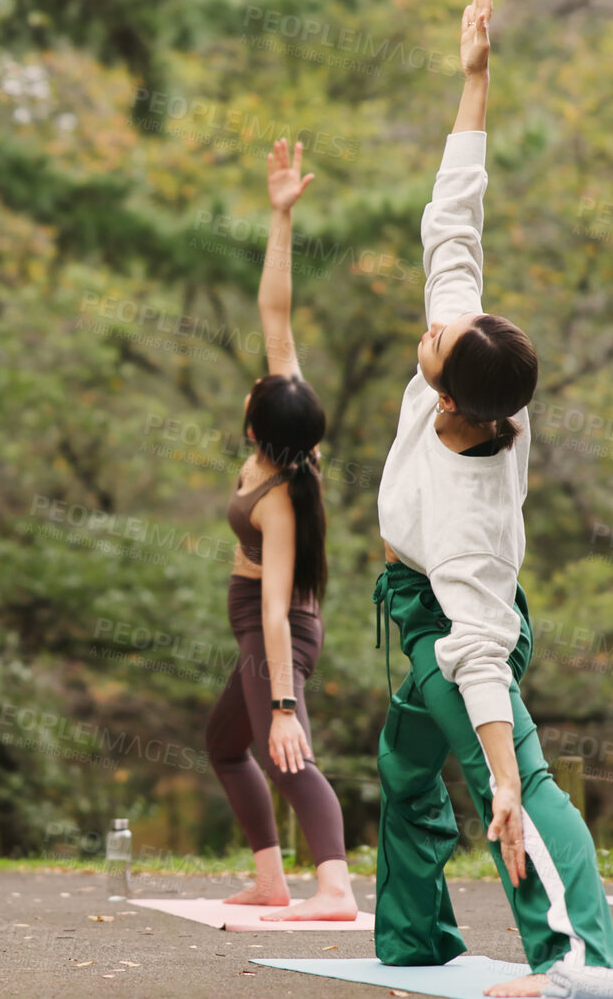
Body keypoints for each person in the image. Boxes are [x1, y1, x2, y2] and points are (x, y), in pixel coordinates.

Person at [371, 0, 613, 999]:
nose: (429, 324)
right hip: (419, 608)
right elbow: (455, 226)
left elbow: (476, 648)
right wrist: (475, 78)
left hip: (455, 621)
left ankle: (575, 964)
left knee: (513, 782)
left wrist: (508, 774)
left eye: (437, 335)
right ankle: (415, 938)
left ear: (456, 390)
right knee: (400, 762)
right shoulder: (466, 381)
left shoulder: (473, 510)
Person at [203, 138, 357, 921]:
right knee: (223, 743)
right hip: (255, 621)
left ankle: (333, 887)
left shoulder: (278, 496)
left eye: (259, 386)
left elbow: (273, 608)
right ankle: (271, 877)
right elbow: (275, 309)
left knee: (282, 751)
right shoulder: (291, 433)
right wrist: (280, 215)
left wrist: (287, 702)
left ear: (255, 425)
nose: (262, 377)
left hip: (277, 631)